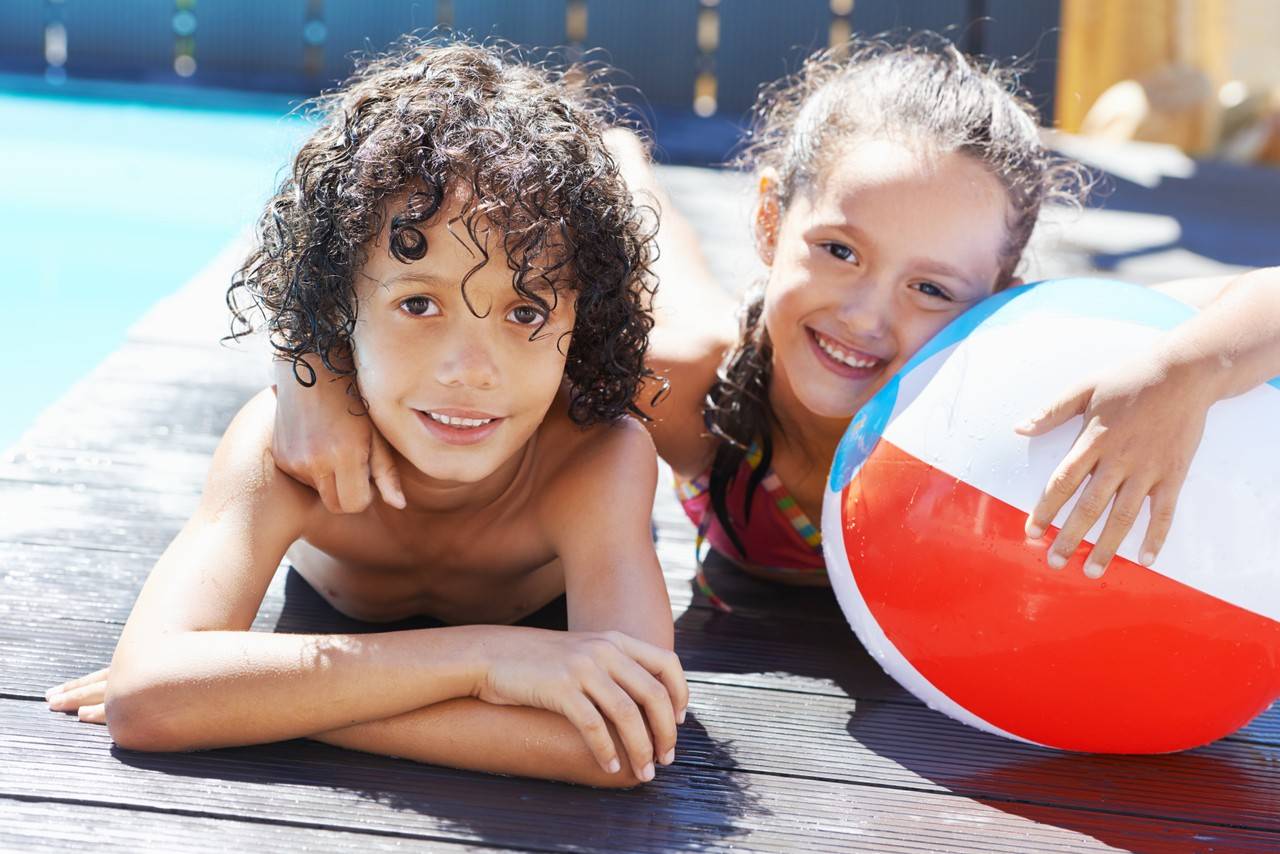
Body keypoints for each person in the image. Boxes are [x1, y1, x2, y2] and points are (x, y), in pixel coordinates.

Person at [262, 36, 1280, 607]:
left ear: (1001, 286)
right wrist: (303, 374)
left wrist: (1185, 370)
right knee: (638, 245)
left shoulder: (1021, 354)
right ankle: (626, 160)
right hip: (720, 338)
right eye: (837, 250)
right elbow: (385, 275)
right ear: (770, 219)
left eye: (935, 287)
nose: (866, 315)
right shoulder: (686, 388)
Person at [43, 37, 688, 788]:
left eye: (525, 311)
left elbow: (622, 744)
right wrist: (486, 660)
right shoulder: (289, 451)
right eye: (419, 303)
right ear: (338, 303)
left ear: (582, 318)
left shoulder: (594, 458)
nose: (469, 371)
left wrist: (260, 702)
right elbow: (149, 698)